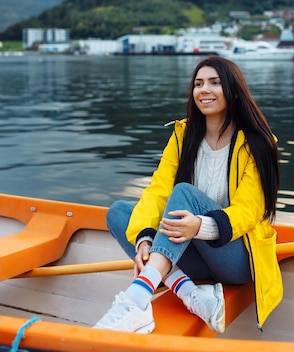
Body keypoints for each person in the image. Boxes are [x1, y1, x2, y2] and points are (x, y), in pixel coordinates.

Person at [95, 55, 283, 334]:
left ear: (233, 90)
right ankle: (192, 295)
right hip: (190, 256)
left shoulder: (256, 143)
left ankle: (136, 298)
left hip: (235, 259)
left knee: (185, 194)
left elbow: (249, 211)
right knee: (120, 213)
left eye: (214, 83)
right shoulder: (184, 136)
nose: (204, 90)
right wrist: (145, 239)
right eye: (198, 83)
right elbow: (158, 190)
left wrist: (200, 226)